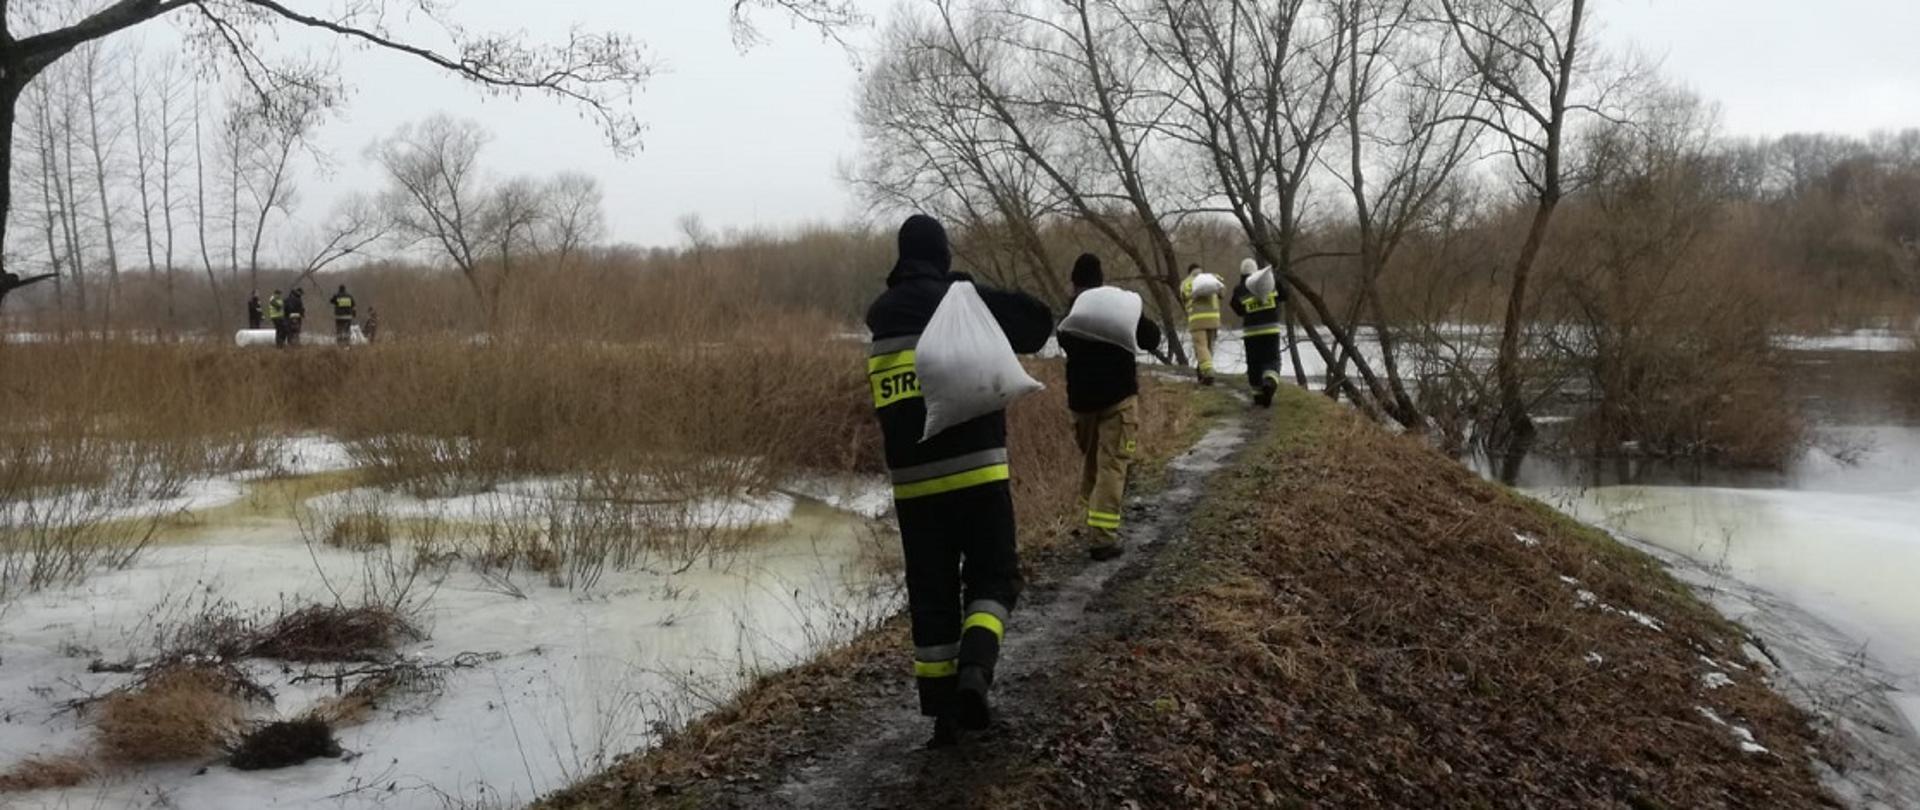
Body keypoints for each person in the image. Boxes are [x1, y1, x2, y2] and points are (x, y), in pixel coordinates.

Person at [867, 214, 1053, 747]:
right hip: (978, 471)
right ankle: (976, 668)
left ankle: (942, 714)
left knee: (932, 595)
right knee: (995, 576)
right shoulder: (961, 301)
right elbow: (1038, 324)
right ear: (942, 255)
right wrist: (969, 287)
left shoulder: (880, 316)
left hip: (913, 486)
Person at [1057, 254, 1162, 562]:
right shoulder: (1120, 309)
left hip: (1082, 404)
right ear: (1101, 280)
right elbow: (1151, 338)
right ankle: (1102, 538)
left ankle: (1090, 520)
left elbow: (1063, 339)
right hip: (1118, 400)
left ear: (1074, 283)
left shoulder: (1073, 313)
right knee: (1112, 466)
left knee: (1093, 463)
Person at [1229, 258, 1287, 407]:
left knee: (1254, 364)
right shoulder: (1271, 283)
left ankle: (1257, 395)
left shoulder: (1240, 289)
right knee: (1271, 360)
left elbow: (1237, 309)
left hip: (1251, 333)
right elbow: (1285, 296)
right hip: (1271, 330)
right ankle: (1269, 381)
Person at [1180, 263, 1221, 386]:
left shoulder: (1186, 283)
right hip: (1213, 319)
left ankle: (1208, 372)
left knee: (1201, 347)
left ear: (1189, 272)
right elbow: (1222, 292)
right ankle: (1202, 371)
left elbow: (1184, 298)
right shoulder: (1211, 279)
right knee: (1209, 348)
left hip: (1197, 319)